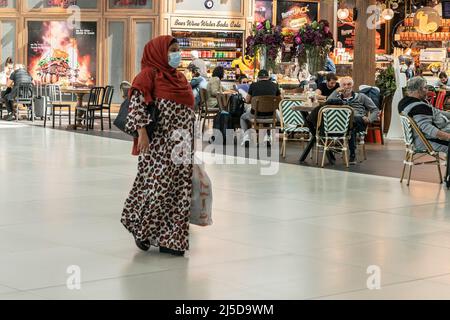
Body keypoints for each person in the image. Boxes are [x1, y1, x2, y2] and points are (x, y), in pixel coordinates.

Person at [121, 35, 195, 256]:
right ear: (159, 52)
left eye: (177, 50)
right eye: (171, 50)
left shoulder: (180, 78)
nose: (176, 54)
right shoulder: (148, 75)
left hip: (182, 146)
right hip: (159, 146)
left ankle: (172, 240)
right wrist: (141, 132)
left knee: (180, 192)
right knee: (158, 190)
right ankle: (143, 230)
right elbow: (136, 105)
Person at [306, 76, 380, 164]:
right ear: (340, 86)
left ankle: (351, 153)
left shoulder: (361, 96)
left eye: (349, 84)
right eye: (344, 85)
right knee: (341, 121)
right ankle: (335, 143)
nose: (346, 86)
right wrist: (336, 91)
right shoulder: (337, 98)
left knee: (352, 121)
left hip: (358, 121)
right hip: (342, 124)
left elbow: (375, 109)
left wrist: (369, 119)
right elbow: (327, 102)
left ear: (352, 86)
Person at [399, 77, 450, 153]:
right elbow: (428, 128)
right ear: (418, 90)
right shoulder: (419, 107)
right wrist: (448, 137)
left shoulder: (404, 102)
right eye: (425, 88)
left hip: (422, 137)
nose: (427, 90)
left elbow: (436, 111)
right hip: (427, 141)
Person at [240, 69, 281, 146]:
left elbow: (247, 100)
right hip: (271, 115)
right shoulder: (275, 86)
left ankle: (246, 137)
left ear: (258, 78)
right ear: (268, 77)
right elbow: (280, 101)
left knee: (242, 117)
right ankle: (267, 137)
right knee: (267, 111)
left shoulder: (253, 85)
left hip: (256, 115)